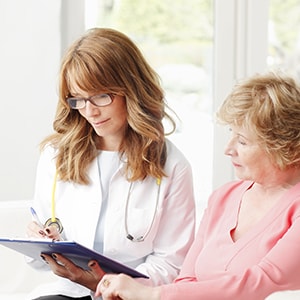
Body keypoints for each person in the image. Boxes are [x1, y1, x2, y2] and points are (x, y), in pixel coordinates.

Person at [95, 71, 300, 300]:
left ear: (284, 147)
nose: (228, 149)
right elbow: (187, 280)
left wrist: (152, 295)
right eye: (231, 134)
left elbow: (263, 283)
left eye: (242, 141)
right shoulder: (224, 197)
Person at [26, 27, 196, 300]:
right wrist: (41, 242)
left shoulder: (172, 166)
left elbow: (171, 263)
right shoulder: (55, 156)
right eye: (78, 99)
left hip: (132, 294)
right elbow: (40, 255)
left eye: (101, 96)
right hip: (66, 291)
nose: (90, 111)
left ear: (132, 89)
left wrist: (109, 285)